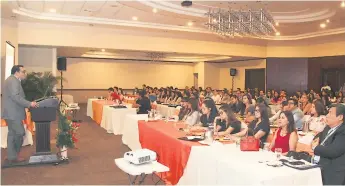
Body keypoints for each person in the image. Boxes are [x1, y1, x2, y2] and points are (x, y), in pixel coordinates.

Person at [2, 65, 38, 163]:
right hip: (13, 113)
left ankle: (11, 156)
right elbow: (16, 97)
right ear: (17, 72)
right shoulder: (13, 81)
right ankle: (14, 156)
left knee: (12, 134)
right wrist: (29, 103)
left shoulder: (11, 80)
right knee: (19, 133)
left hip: (10, 113)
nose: (24, 73)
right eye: (23, 71)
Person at [311, 104, 345, 185]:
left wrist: (315, 147)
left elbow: (333, 151)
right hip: (320, 163)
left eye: (330, 113)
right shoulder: (328, 128)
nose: (327, 115)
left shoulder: (343, 132)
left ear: (340, 117)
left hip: (333, 170)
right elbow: (317, 138)